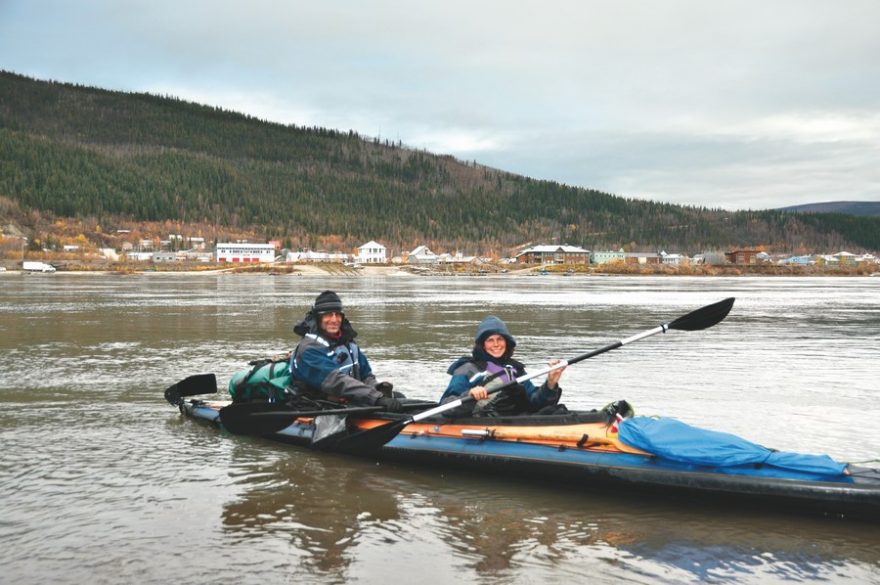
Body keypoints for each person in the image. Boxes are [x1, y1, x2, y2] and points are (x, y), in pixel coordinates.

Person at [290, 291, 402, 412]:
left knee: (399, 397)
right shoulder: (309, 349)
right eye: (328, 315)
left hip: (350, 400)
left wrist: (377, 388)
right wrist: (376, 398)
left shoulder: (348, 343)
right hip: (320, 406)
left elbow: (366, 375)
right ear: (318, 318)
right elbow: (336, 381)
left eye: (338, 315)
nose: (334, 319)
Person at [440, 315, 565, 417]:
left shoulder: (515, 369)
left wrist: (550, 383)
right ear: (483, 345)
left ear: (506, 342)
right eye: (490, 340)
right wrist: (469, 395)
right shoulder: (467, 369)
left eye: (500, 339)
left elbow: (535, 404)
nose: (496, 344)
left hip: (512, 422)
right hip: (480, 425)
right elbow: (445, 407)